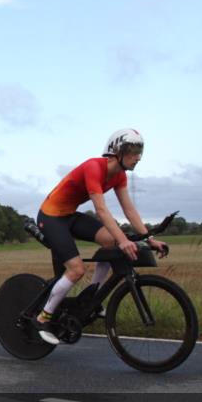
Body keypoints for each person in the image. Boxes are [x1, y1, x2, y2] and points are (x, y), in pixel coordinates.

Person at [33, 128, 167, 345]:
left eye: (140, 151)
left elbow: (129, 210)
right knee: (76, 269)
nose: (138, 157)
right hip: (50, 217)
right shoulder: (94, 167)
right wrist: (124, 240)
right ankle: (43, 318)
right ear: (117, 151)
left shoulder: (119, 176)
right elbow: (101, 210)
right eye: (133, 151)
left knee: (111, 241)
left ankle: (91, 299)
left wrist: (148, 238)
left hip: (69, 215)